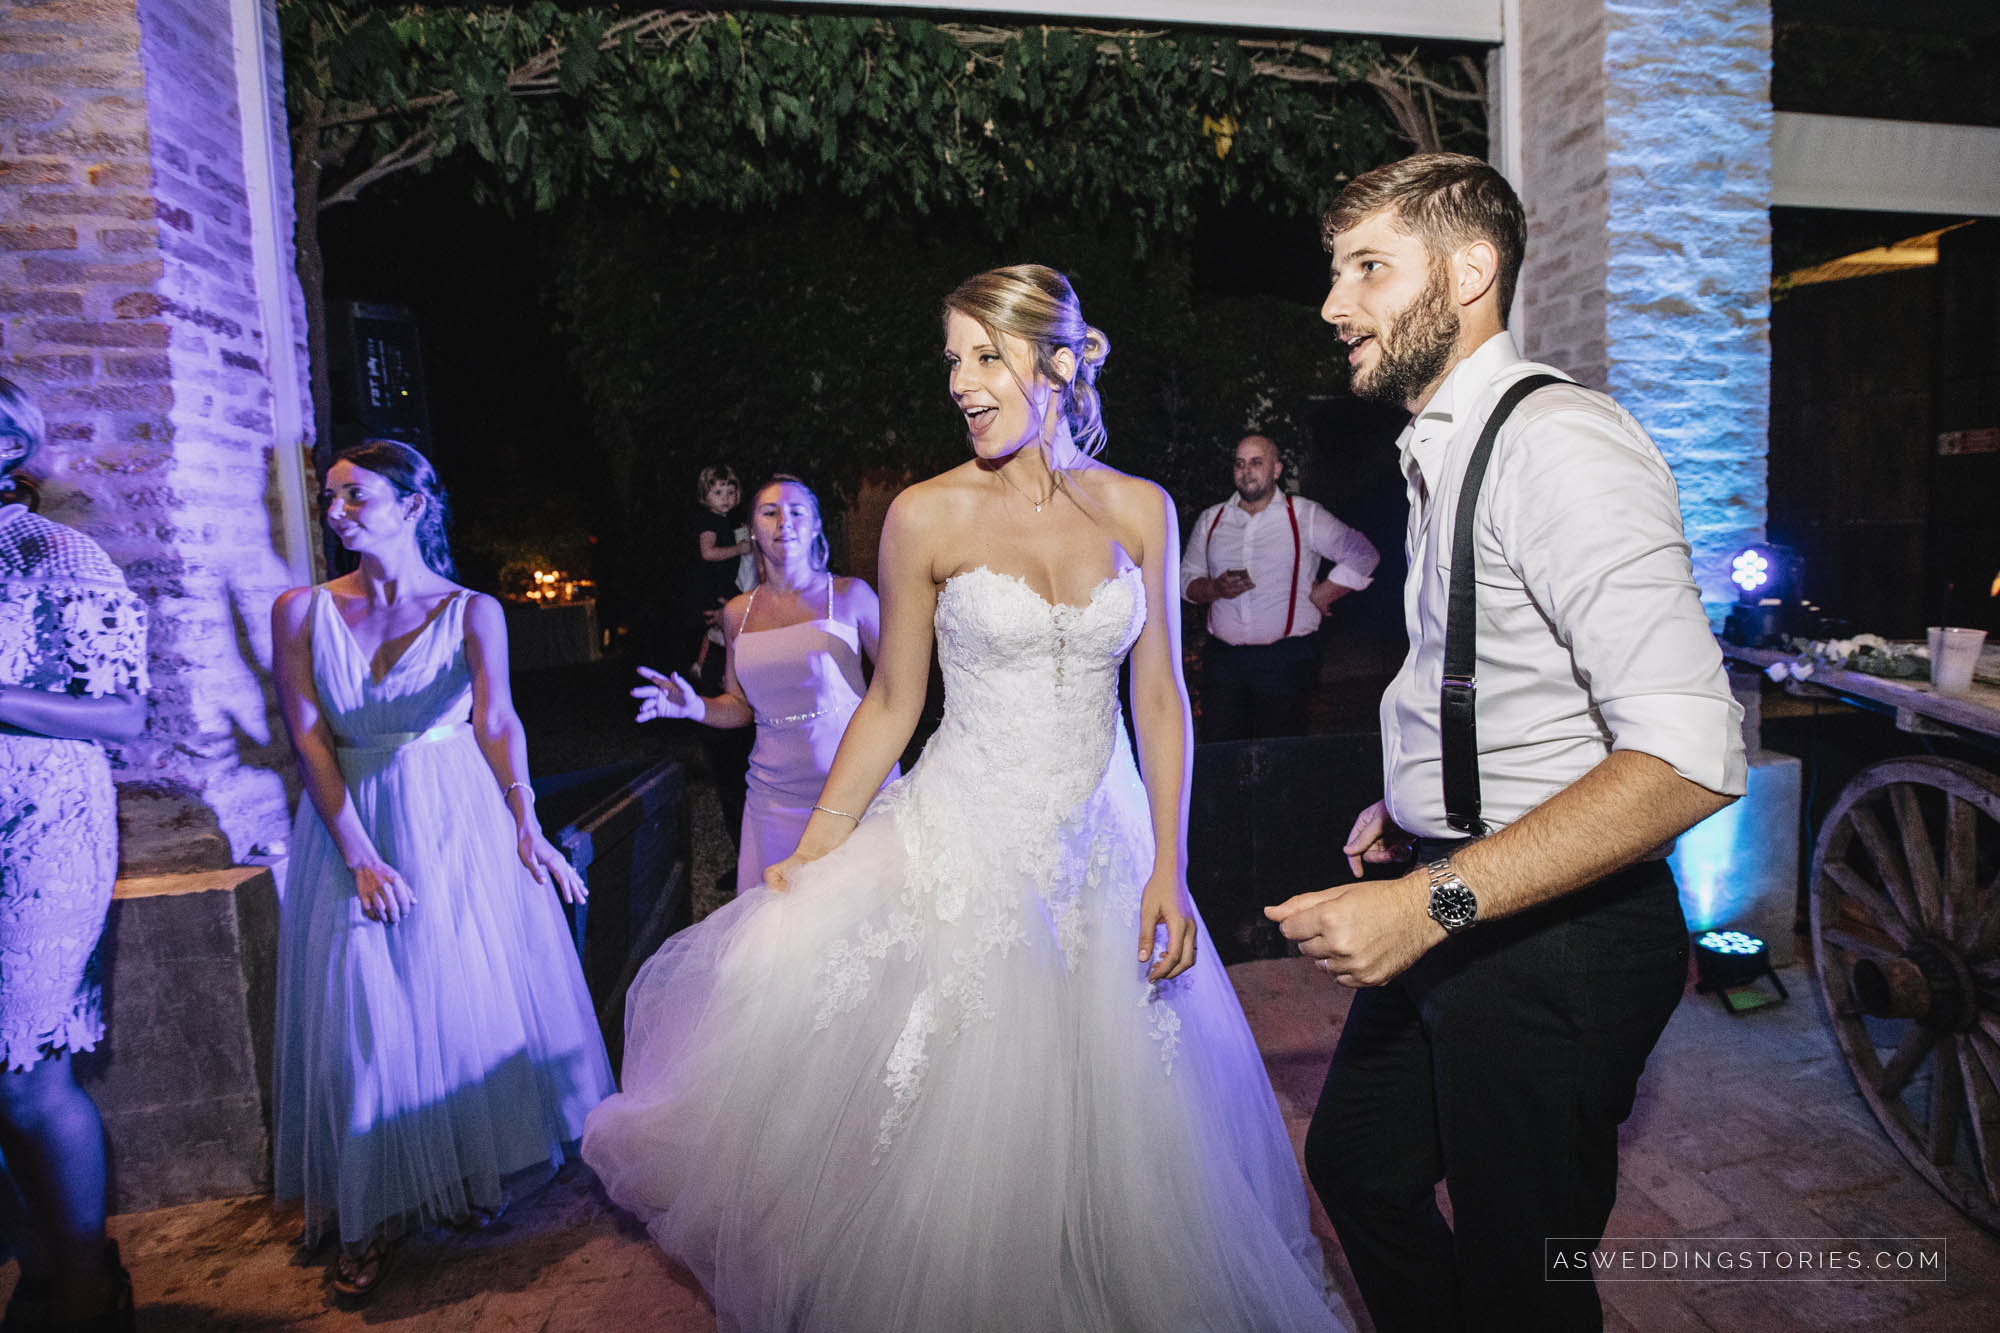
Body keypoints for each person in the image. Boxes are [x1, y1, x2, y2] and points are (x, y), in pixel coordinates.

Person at [584, 265, 1348, 1331]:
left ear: (1058, 361)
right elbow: (892, 701)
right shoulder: (922, 514)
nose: (961, 381)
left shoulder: (1141, 509)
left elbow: (1163, 698)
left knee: (1123, 1123)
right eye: (952, 359)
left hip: (1105, 842)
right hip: (966, 839)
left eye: (985, 354)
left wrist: (1168, 866)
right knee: (959, 1133)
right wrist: (820, 845)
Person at [1268, 153, 1747, 1331]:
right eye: (1336, 273)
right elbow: (1494, 675)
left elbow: (1689, 753)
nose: (1334, 305)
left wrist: (1424, 904)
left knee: (1520, 1275)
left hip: (1557, 944)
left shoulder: (1558, 446)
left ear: (1470, 269)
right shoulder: (1440, 451)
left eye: (1368, 268)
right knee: (1361, 1169)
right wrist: (1418, 798)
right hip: (1464, 890)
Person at [270, 439, 614, 1303]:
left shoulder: (472, 611)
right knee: (366, 1009)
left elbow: (497, 720)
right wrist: (357, 853)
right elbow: (308, 736)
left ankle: (460, 1174)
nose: (337, 511)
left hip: (455, 820)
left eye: (355, 496)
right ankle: (368, 1214)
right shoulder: (299, 609)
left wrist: (526, 822)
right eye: (331, 497)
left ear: (414, 505)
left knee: (454, 993)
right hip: (354, 825)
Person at [0, 377, 145, 1332]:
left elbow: (122, 714)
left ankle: (91, 1281)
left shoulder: (51, 552)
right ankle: (41, 1264)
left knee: (24, 1073)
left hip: (39, 831)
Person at [633, 473, 896, 897]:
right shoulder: (738, 612)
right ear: (752, 530)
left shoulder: (852, 596)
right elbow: (740, 705)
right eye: (769, 512)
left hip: (855, 794)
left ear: (814, 527)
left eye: (796, 512)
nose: (783, 522)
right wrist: (693, 707)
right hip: (773, 801)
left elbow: (899, 689)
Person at [1182, 433, 1380, 741]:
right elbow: (1186, 582)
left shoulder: (1304, 515)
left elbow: (1363, 553)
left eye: (1256, 463)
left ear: (1276, 469)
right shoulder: (1212, 519)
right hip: (1224, 663)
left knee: (1280, 753)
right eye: (1239, 464)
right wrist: (1215, 589)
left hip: (1286, 661)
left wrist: (1326, 591)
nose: (1246, 471)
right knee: (1221, 751)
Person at [684, 465, 755, 881]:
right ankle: (743, 855)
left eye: (732, 491)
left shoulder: (750, 542)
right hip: (719, 652)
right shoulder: (720, 536)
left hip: (753, 654)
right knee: (726, 762)